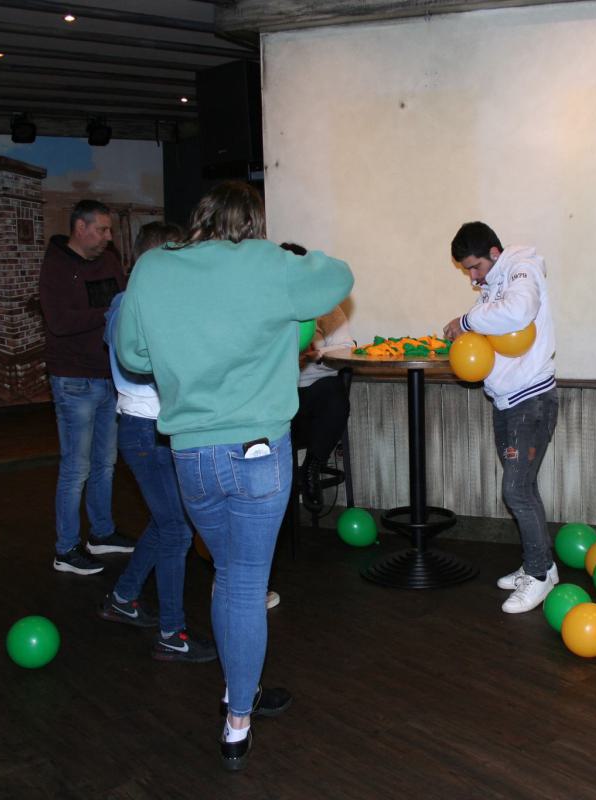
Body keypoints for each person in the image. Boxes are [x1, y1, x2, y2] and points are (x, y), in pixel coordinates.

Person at [115, 181, 353, 771]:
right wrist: (292, 258)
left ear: (199, 218)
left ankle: (238, 687)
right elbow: (338, 277)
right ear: (253, 224)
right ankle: (238, 719)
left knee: (228, 576)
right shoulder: (268, 263)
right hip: (259, 455)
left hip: (192, 457)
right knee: (245, 584)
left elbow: (133, 357)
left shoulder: (153, 267)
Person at [98, 221, 216, 663]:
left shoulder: (144, 303)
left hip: (158, 430)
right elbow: (140, 366)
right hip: (144, 431)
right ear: (155, 260)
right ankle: (171, 633)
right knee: (176, 529)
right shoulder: (128, 308)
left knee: (169, 520)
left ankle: (123, 597)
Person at [442, 221, 559, 614]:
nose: (473, 277)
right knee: (524, 488)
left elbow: (519, 313)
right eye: (467, 271)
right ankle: (540, 564)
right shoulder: (493, 284)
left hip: (532, 401)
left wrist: (465, 321)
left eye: (475, 267)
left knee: (516, 491)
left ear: (494, 253)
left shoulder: (521, 267)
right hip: (507, 401)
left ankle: (539, 576)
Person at [41, 199, 135, 576]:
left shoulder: (109, 261)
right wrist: (109, 312)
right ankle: (66, 548)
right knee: (76, 467)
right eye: (102, 229)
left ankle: (101, 533)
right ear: (80, 228)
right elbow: (59, 322)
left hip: (108, 375)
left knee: (105, 464)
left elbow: (124, 302)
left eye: (109, 229)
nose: (108, 236)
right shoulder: (56, 266)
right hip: (73, 379)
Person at [283, 243, 355, 513]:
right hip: (280, 401)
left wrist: (315, 354)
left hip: (315, 400)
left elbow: (346, 350)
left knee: (333, 393)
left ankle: (312, 466)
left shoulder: (326, 308)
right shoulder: (269, 307)